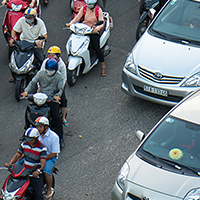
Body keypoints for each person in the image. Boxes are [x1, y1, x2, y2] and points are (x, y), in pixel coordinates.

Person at [22, 58, 65, 148]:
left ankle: (60, 137)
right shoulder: (41, 74)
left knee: (56, 116)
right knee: (29, 109)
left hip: (51, 98)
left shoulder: (59, 76)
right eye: (47, 70)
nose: (48, 72)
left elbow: (61, 88)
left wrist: (57, 96)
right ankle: (26, 129)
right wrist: (26, 91)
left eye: (51, 70)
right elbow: (33, 82)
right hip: (40, 97)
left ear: (55, 70)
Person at [66, 0, 107, 77]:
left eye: (90, 4)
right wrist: (71, 23)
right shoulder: (84, 8)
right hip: (83, 28)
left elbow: (101, 21)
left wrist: (97, 28)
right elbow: (78, 17)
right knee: (72, 40)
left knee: (97, 48)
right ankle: (68, 60)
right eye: (87, 4)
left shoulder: (98, 10)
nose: (88, 6)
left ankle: (103, 66)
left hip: (93, 30)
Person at [4, 127, 47, 200]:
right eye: (28, 139)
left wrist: (38, 171)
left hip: (34, 172)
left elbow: (43, 162)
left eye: (31, 140)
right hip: (24, 171)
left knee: (38, 195)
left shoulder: (42, 148)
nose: (29, 141)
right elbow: (17, 155)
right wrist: (10, 164)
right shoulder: (24, 144)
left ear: (36, 138)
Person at [9, 7, 47, 82]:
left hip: (35, 42)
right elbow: (14, 30)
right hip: (23, 41)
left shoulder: (40, 23)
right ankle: (14, 75)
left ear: (34, 17)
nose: (28, 19)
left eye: (30, 17)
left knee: (41, 60)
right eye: (26, 17)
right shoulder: (22, 20)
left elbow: (45, 36)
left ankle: (41, 76)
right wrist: (12, 39)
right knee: (12, 56)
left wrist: (40, 42)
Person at [40, 46, 68, 127]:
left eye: (53, 55)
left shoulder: (61, 65)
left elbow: (64, 79)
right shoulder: (46, 62)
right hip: (46, 85)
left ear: (58, 56)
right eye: (49, 55)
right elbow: (40, 74)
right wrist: (39, 86)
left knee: (63, 100)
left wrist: (60, 91)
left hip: (57, 87)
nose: (50, 57)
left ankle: (63, 118)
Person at [35, 116, 60, 200]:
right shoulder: (36, 135)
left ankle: (49, 189)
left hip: (50, 157)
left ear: (46, 127)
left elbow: (54, 153)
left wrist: (42, 158)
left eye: (40, 127)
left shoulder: (54, 137)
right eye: (37, 127)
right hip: (37, 156)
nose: (38, 129)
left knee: (45, 170)